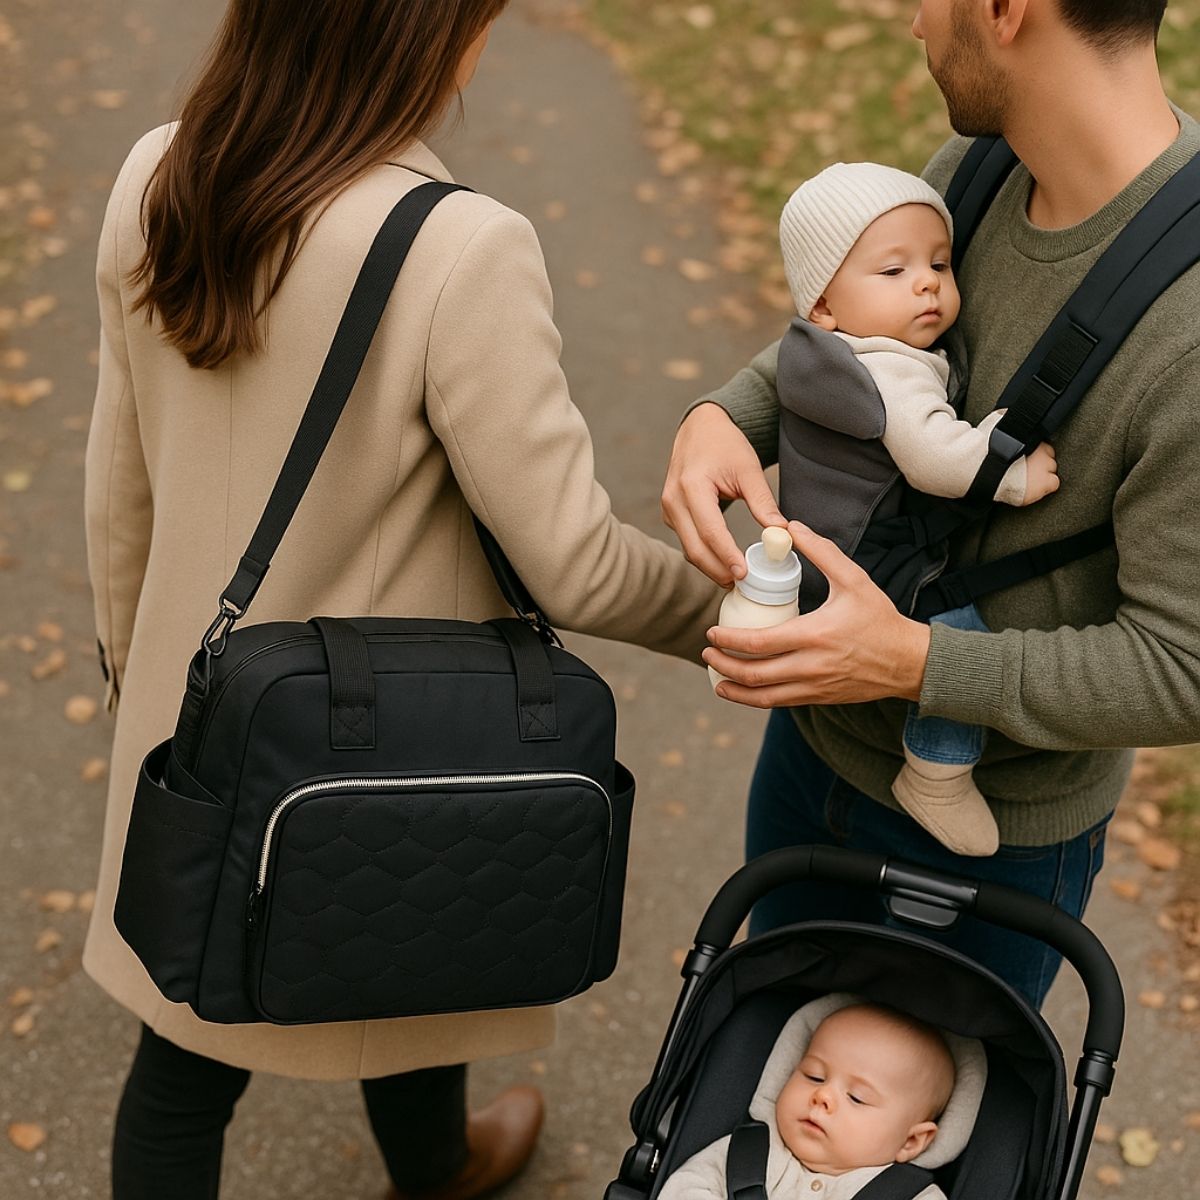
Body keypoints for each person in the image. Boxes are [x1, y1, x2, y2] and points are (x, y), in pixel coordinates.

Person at [83, 3, 721, 1198]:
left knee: (181, 1056)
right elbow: (571, 561)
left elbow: (119, 482)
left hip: (201, 712)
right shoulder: (458, 248)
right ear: (423, 36)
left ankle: (443, 1159)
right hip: (385, 729)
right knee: (409, 915)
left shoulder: (158, 172)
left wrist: (140, 685)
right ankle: (438, 1166)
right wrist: (737, 622)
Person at [661, 0, 1200, 1007]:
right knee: (764, 1075)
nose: (914, 22)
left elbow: (1184, 666)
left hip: (990, 842)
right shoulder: (984, 167)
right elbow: (864, 347)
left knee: (924, 1154)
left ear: (1005, 11)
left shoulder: (1190, 328)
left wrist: (910, 661)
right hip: (814, 750)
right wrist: (727, 413)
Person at [775, 160, 1060, 857]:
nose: (927, 282)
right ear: (824, 305)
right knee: (956, 635)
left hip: (820, 543)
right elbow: (935, 458)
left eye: (938, 262)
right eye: (893, 271)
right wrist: (1010, 472)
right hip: (871, 556)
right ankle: (936, 770)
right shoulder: (891, 370)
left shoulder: (823, 350)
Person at [657, 998, 983, 1200]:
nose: (822, 1095)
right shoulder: (743, 1155)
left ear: (911, 1141)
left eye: (856, 1097)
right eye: (814, 1076)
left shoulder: (914, 1197)